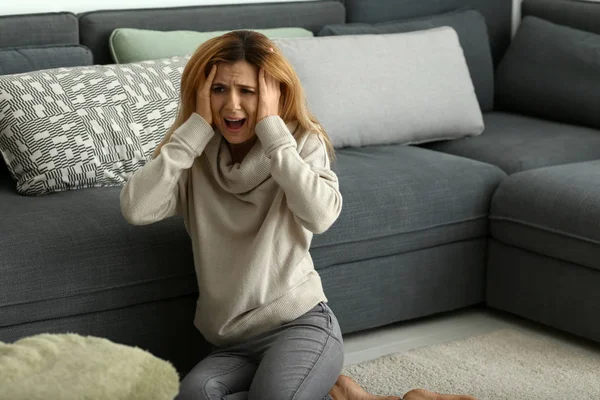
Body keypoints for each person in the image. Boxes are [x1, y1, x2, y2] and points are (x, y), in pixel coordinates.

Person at [120, 30, 477, 400]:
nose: (232, 106)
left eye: (248, 91)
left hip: (299, 325)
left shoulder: (300, 143)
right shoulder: (194, 152)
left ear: (274, 94)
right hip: (231, 342)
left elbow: (321, 215)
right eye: (219, 89)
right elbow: (136, 208)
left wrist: (274, 133)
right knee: (192, 396)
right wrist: (191, 130)